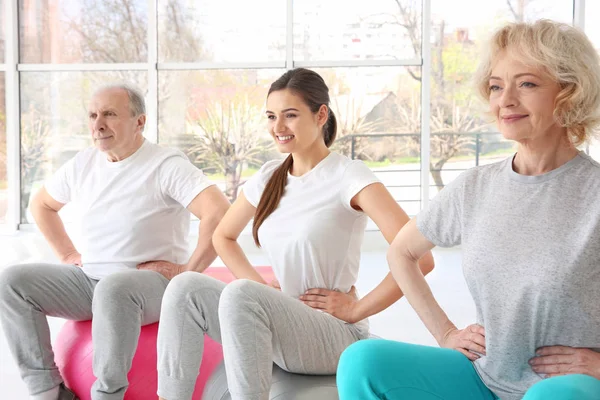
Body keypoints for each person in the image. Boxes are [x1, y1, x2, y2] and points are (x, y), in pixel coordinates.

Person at [336, 19, 600, 400]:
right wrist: (445, 332)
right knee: (363, 361)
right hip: (484, 378)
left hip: (565, 391)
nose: (504, 100)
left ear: (569, 92)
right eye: (496, 86)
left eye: (526, 83)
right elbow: (402, 252)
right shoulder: (475, 187)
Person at [155, 68, 435, 400]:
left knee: (241, 293)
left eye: (290, 115)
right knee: (185, 286)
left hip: (334, 332)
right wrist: (260, 290)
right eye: (272, 116)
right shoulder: (268, 176)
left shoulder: (349, 176)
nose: (278, 127)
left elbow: (421, 258)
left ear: (321, 115)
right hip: (282, 321)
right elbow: (223, 237)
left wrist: (357, 311)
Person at [0, 84, 230, 400]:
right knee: (12, 282)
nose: (98, 124)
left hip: (151, 285)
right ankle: (48, 391)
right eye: (93, 115)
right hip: (89, 281)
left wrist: (188, 270)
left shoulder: (165, 164)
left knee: (114, 288)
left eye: (110, 114)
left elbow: (218, 212)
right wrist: (67, 253)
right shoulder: (84, 163)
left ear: (139, 122)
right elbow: (41, 204)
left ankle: (107, 395)